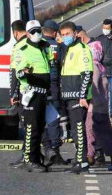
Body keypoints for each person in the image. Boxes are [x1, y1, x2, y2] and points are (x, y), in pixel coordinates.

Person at [9, 19, 53, 172]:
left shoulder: (45, 47)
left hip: (43, 93)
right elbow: (18, 73)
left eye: (39, 31)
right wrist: (25, 72)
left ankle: (35, 157)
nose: (37, 34)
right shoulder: (23, 49)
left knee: (39, 128)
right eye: (33, 32)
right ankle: (29, 159)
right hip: (31, 93)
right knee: (31, 128)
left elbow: (51, 65)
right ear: (27, 34)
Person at [83, 35, 112, 170]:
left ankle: (95, 155)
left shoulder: (97, 67)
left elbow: (97, 87)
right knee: (100, 132)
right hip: (98, 106)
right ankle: (106, 156)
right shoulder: (97, 67)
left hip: (97, 106)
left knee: (95, 131)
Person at [59, 21, 93, 174]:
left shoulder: (82, 49)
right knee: (74, 130)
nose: (65, 37)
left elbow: (87, 74)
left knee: (78, 129)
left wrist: (83, 96)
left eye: (68, 34)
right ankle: (79, 159)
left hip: (78, 96)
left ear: (75, 33)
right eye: (63, 34)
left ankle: (83, 161)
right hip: (68, 96)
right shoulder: (67, 49)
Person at [41, 19, 69, 166]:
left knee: (40, 119)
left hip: (40, 84)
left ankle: (45, 150)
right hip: (55, 86)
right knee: (54, 118)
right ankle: (55, 150)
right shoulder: (58, 47)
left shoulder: (38, 45)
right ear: (53, 32)